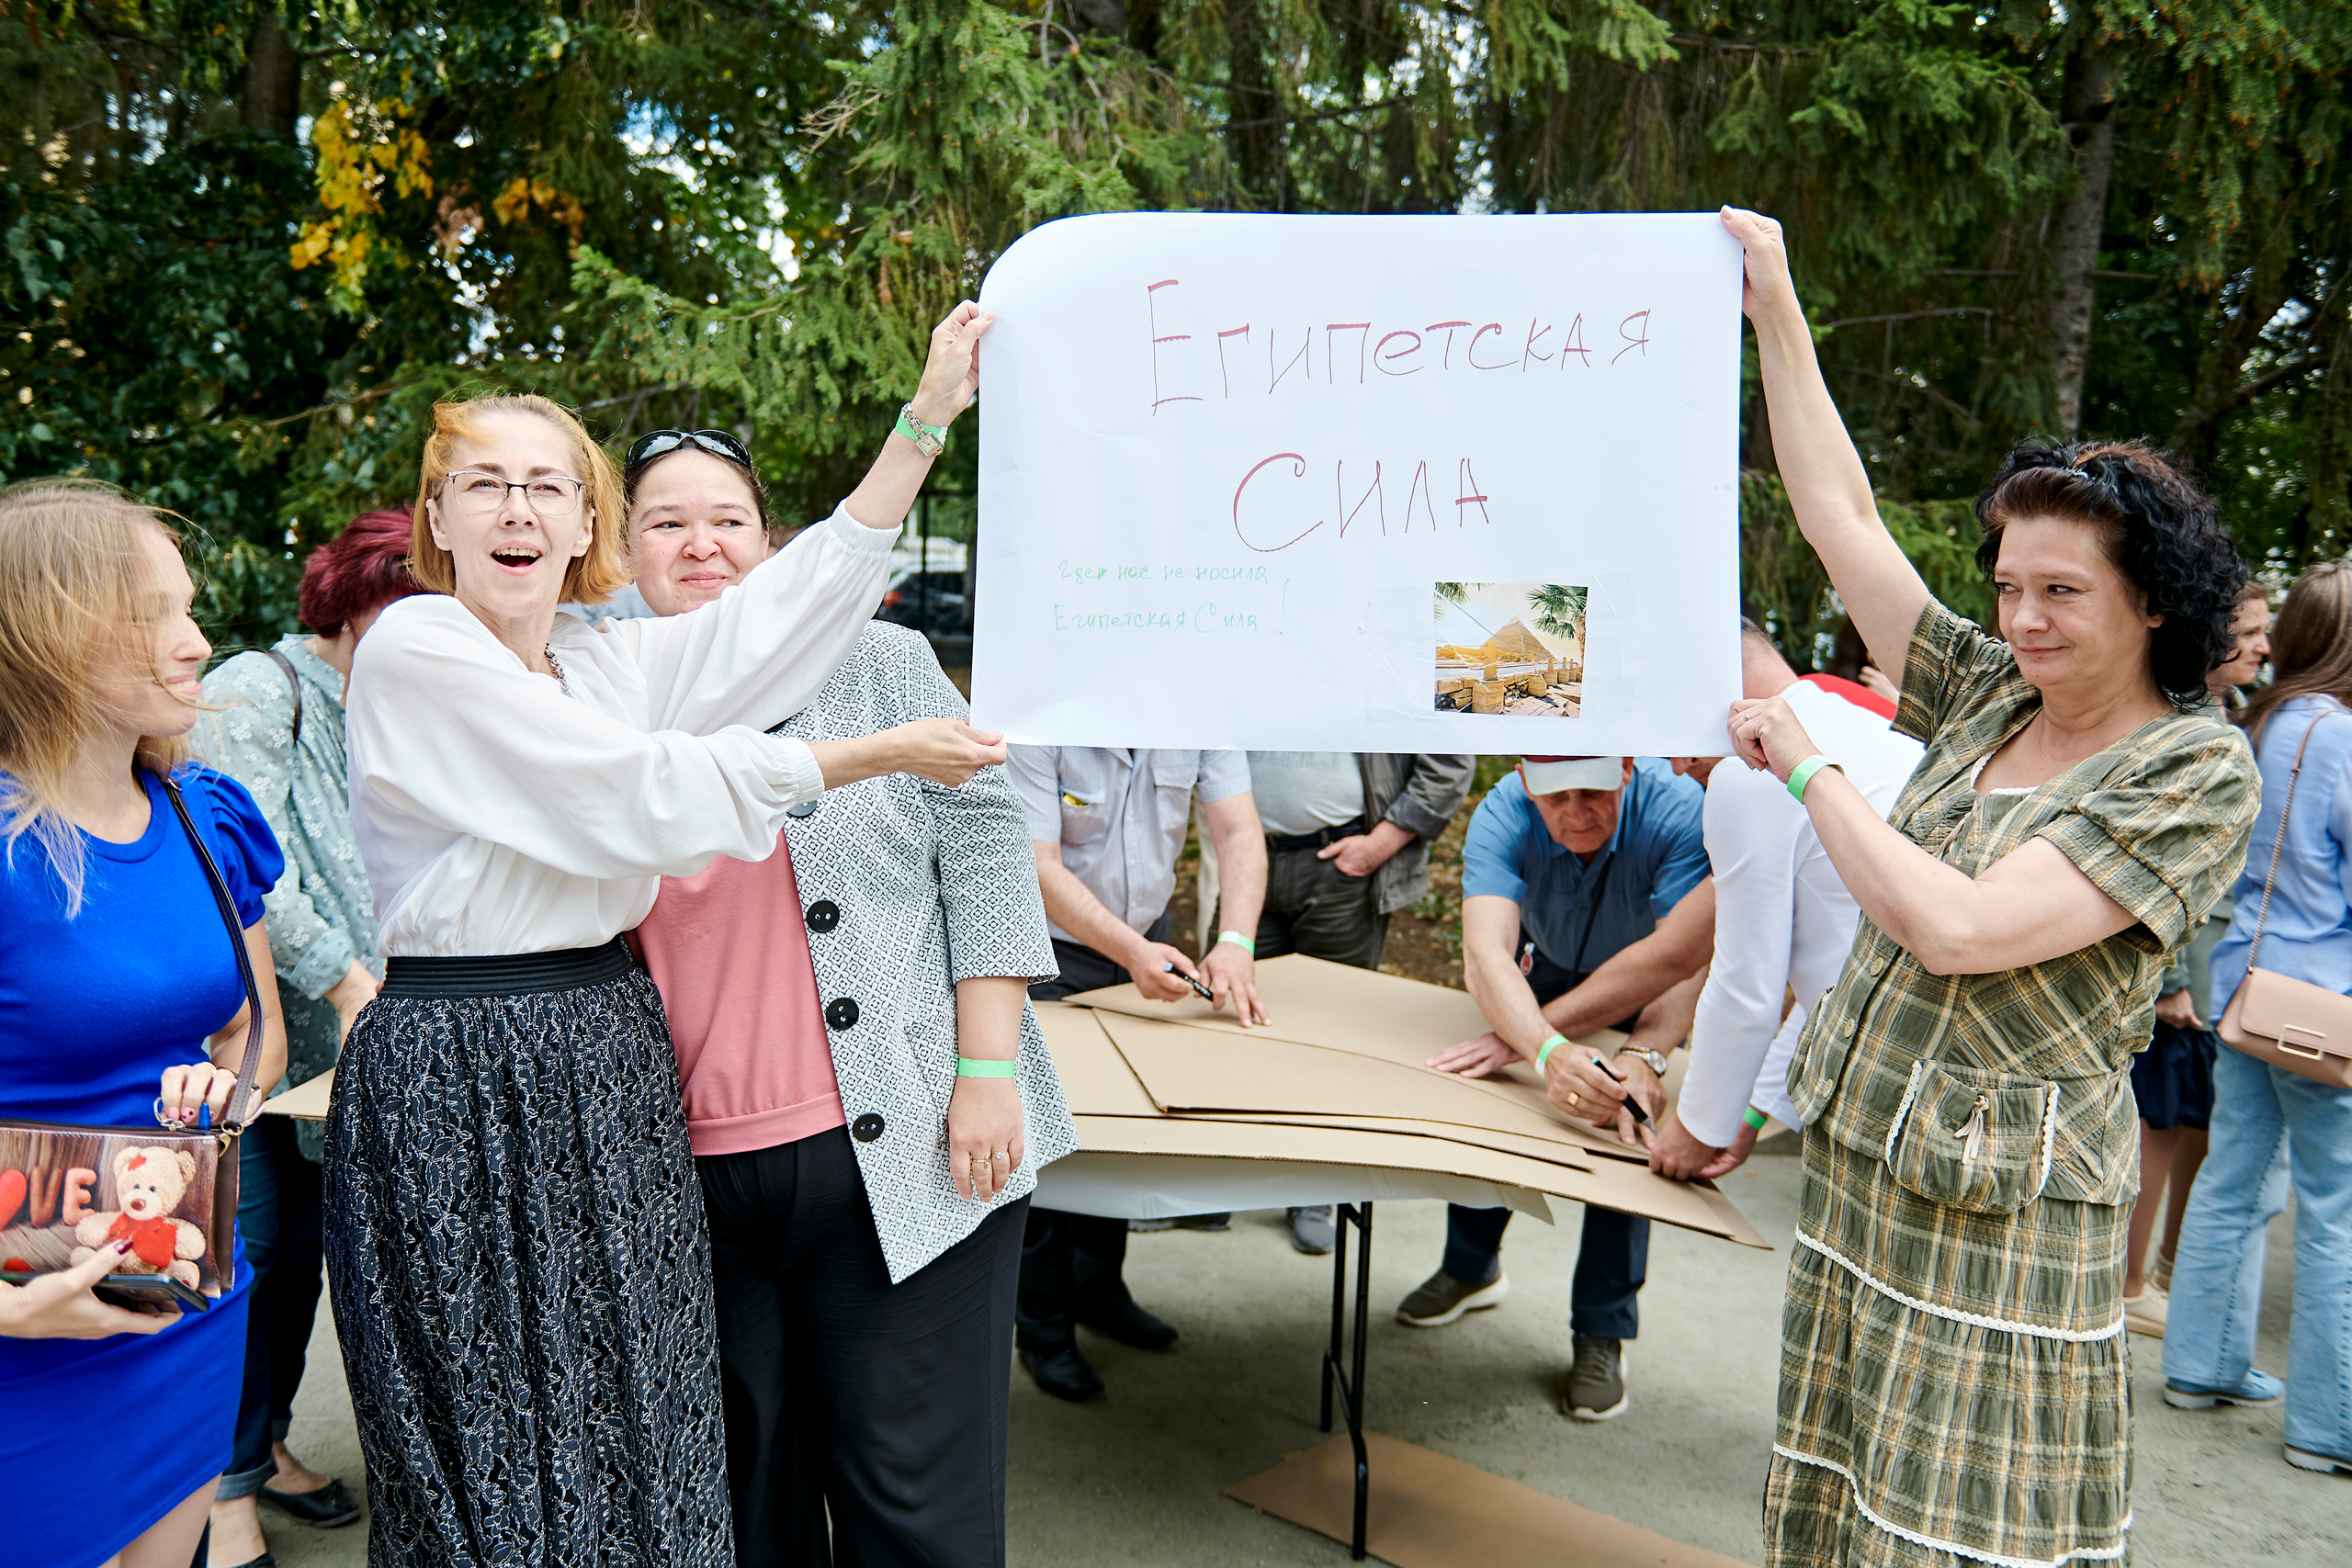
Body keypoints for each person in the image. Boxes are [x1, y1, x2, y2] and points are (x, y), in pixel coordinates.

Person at [323, 305, 1002, 1567]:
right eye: (485, 484)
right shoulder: (420, 645)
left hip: (601, 1048)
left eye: (547, 485)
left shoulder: (594, 659)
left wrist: (924, 421)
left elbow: (776, 616)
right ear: (438, 521)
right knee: (494, 1432)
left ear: (585, 526)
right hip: (463, 1060)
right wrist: (870, 755)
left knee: (645, 1416)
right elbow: (635, 793)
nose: (517, 509)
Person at [1721, 206, 2259, 1568]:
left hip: (2005, 1210)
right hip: (1873, 1160)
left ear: (2154, 604)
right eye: (2010, 585)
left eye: (2061, 591)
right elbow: (1838, 512)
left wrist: (1806, 766)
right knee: (1845, 1487)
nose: (2022, 618)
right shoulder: (1987, 694)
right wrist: (1775, 304)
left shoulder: (2193, 769)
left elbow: (1958, 927)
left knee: (1967, 1522)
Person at [618, 426, 1079, 1563]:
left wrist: (984, 1072)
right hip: (687, 1177)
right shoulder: (594, 695)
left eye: (726, 518)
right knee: (741, 1498)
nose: (700, 543)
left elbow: (983, 849)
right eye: (664, 521)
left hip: (914, 1144)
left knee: (913, 1504)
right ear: (620, 554)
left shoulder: (882, 663)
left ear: (773, 543)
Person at [0, 479, 289, 1568]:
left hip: (181, 1301)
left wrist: (231, 1094)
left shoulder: (202, 814)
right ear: (56, 630)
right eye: (159, 613)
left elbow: (254, 1032)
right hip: (22, 1345)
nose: (198, 641)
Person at [196, 510, 419, 1562]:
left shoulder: (395, 702)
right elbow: (248, 864)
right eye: (408, 612)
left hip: (348, 1051)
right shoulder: (258, 687)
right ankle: (228, 1489)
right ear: (355, 600)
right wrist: (348, 982)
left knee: (299, 1275)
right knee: (248, 1257)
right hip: (255, 1034)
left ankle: (267, 1445)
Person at [1406, 753, 1711, 1421]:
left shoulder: (1679, 809)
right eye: (1555, 797)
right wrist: (1537, 1047)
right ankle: (1470, 1265)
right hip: (1539, 972)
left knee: (1627, 1123)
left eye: (1594, 791)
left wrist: (1646, 1055)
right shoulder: (1500, 813)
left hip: (1643, 987)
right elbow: (1486, 954)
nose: (1577, 812)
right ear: (1523, 781)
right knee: (1498, 1098)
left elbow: (1683, 958)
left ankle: (1602, 1330)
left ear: (1627, 769)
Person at [2163, 561, 2352, 1478]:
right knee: (2335, 1210)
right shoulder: (2341, 736)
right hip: (2325, 1002)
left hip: (2242, 986)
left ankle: (2199, 1366)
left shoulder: (2260, 724)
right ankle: (2331, 1422)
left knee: (2233, 1179)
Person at [1005, 744, 1267, 1402]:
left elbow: (1238, 828)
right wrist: (1130, 950)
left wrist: (1234, 940)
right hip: (1050, 948)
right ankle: (1044, 1330)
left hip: (1150, 934)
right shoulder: (1044, 722)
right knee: (1051, 1143)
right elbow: (1038, 865)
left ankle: (1099, 1289)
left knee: (1125, 1125)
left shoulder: (1193, 701)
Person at [1650, 625, 1924, 1183]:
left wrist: (1697, 1128)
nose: (1676, 765)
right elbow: (1847, 958)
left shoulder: (1748, 775)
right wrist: (1755, 1110)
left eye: (1672, 726)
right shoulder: (1870, 728)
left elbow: (1746, 985)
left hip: (1890, 1085)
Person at [1247, 750, 1471, 1253]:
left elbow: (1451, 762)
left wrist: (1380, 844)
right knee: (1233, 1023)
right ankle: (1223, 1180)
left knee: (1330, 1040)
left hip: (1342, 862)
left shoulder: (1397, 667)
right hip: (1250, 856)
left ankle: (1314, 1190)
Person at [2123, 578, 2270, 1335]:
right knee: (2160, 1120)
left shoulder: (2233, 712)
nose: (2262, 646)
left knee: (2190, 1119)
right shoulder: (2176, 715)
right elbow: (2166, 858)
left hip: (2217, 955)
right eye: (2247, 629)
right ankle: (2129, 1278)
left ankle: (2163, 1266)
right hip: (2183, 962)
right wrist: (2173, 979)